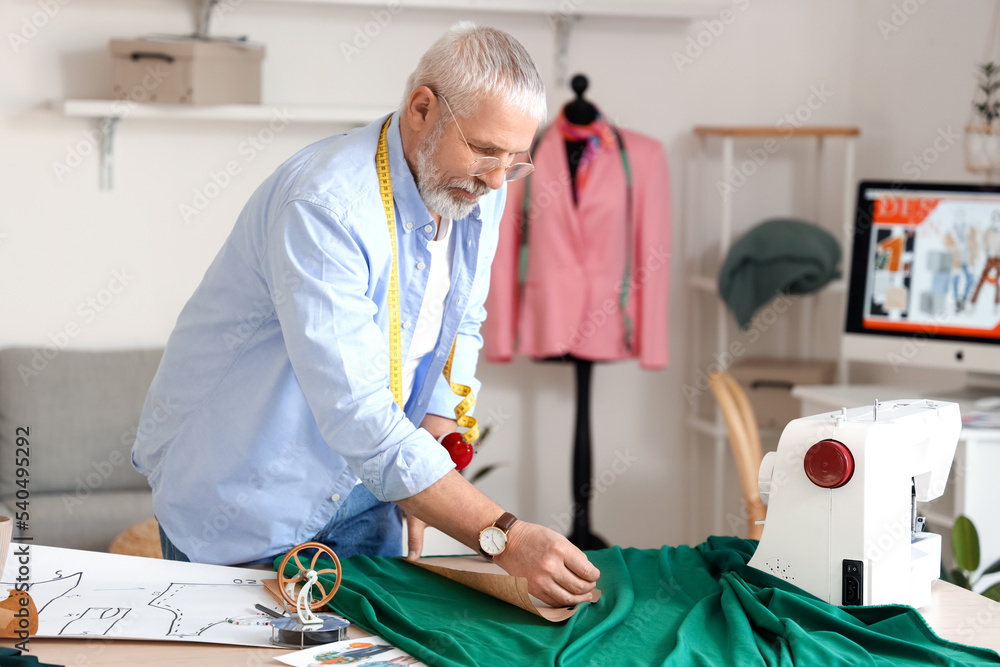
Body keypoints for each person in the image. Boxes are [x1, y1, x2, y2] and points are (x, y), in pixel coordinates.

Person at [131, 21, 600, 608]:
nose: (498, 179)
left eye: (515, 159)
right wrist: (501, 536)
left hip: (368, 494)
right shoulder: (325, 205)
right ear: (422, 108)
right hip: (246, 502)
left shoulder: (482, 182)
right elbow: (357, 412)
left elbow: (463, 323)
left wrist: (437, 458)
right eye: (484, 150)